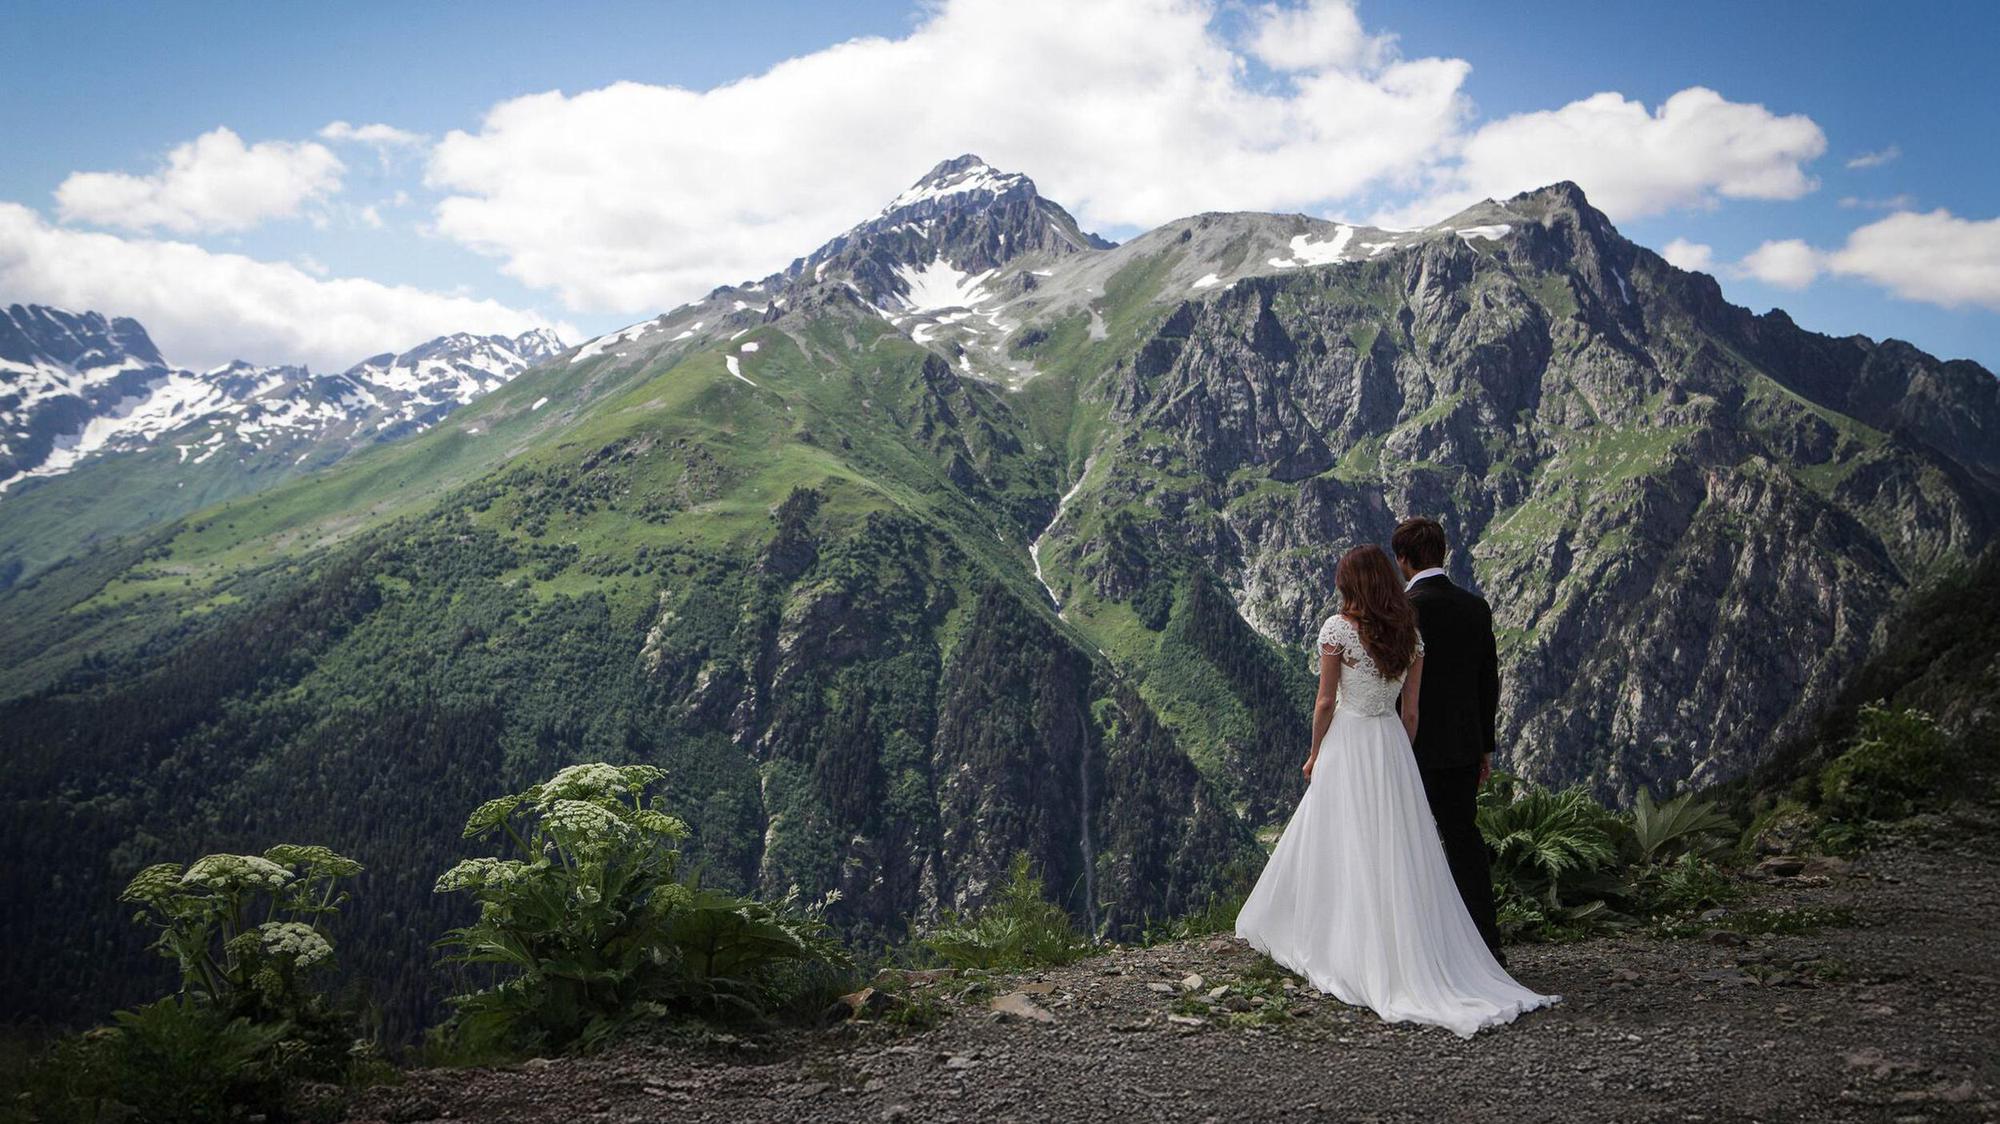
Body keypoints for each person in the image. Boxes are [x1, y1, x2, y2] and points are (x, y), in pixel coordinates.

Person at [1234, 543, 1556, 1037]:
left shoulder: (1338, 629)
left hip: (1350, 740)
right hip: (1390, 743)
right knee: (1398, 849)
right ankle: (1405, 943)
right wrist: (1398, 754)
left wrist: (1315, 752)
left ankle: (1340, 939)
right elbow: (1412, 714)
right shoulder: (1410, 634)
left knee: (1342, 837)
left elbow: (1324, 702)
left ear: (1351, 584)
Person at [1391, 515, 1505, 961]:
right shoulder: (1476, 608)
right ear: (1443, 553)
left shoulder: (1404, 612)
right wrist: (1485, 746)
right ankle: (1486, 941)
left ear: (1403, 559)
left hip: (1409, 747)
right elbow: (1487, 683)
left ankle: (1422, 945)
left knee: (1409, 844)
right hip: (1461, 745)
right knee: (1463, 838)